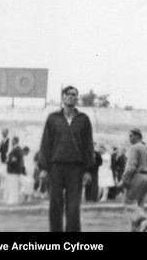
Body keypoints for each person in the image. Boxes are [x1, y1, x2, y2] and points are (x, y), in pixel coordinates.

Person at [38, 85, 95, 232]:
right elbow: (46, 143)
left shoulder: (83, 119)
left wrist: (88, 170)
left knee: (73, 205)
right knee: (55, 204)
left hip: (76, 168)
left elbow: (88, 145)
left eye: (74, 94)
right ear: (63, 98)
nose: (71, 96)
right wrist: (43, 168)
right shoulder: (53, 118)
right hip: (55, 167)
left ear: (77, 98)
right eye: (68, 94)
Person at [117, 128, 147, 232]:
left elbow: (131, 167)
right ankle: (136, 229)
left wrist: (123, 181)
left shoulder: (134, 148)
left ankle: (144, 222)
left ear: (137, 136)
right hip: (146, 179)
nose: (129, 138)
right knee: (138, 207)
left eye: (131, 136)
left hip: (137, 177)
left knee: (128, 203)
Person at [4, 136, 24, 205]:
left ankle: (12, 200)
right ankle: (14, 199)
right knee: (14, 186)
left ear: (15, 141)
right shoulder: (19, 149)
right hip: (16, 170)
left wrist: (7, 161)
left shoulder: (16, 150)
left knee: (12, 185)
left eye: (12, 141)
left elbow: (14, 160)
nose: (11, 142)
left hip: (13, 170)